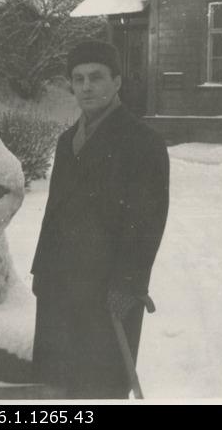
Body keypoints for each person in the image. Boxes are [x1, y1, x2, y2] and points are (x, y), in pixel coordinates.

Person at [30, 40, 170, 399]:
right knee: (55, 389)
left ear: (118, 82)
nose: (86, 87)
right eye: (78, 79)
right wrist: (41, 273)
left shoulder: (143, 142)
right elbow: (55, 212)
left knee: (99, 387)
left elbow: (148, 222)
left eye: (96, 77)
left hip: (107, 293)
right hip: (59, 288)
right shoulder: (65, 142)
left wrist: (128, 285)